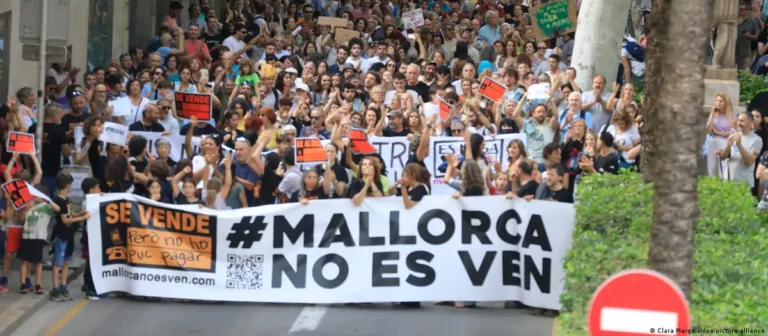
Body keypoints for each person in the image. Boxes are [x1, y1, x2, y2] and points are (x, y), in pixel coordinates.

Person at [50, 173, 90, 301]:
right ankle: (55, 288)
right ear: (67, 185)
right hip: (60, 235)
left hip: (69, 235)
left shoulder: (66, 200)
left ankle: (63, 286)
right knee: (58, 263)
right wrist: (82, 218)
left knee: (66, 261)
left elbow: (70, 213)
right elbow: (66, 220)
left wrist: (79, 213)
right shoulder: (58, 201)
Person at [18, 188, 61, 294]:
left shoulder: (46, 206)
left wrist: (48, 200)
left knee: (38, 261)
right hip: (27, 236)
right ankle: (23, 284)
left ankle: (37, 284)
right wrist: (26, 209)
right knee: (24, 261)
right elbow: (21, 218)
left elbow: (58, 209)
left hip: (39, 236)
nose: (35, 197)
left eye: (37, 195)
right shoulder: (28, 205)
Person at [719, 112, 763, 188]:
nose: (739, 123)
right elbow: (722, 157)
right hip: (728, 182)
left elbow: (749, 161)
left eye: (742, 121)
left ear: (750, 123)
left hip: (744, 185)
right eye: (738, 120)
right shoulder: (733, 135)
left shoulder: (757, 140)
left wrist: (739, 145)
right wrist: (728, 146)